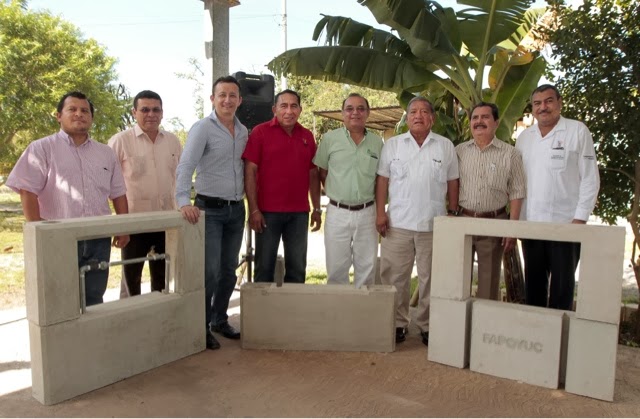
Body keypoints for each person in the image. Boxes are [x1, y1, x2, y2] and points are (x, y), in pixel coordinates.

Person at [6, 91, 129, 306]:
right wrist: (38, 231)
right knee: (59, 300)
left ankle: (90, 340)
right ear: (58, 115)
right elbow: (27, 191)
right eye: (72, 109)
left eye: (85, 110)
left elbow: (118, 192)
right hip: (57, 237)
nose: (79, 114)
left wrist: (124, 226)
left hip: (98, 237)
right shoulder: (41, 148)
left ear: (91, 117)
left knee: (93, 298)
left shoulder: (105, 153)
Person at [376, 97, 459, 345]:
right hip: (397, 224)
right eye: (413, 111)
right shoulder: (393, 145)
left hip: (433, 226)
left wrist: (453, 212)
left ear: (432, 118)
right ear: (407, 117)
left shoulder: (445, 146)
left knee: (431, 278)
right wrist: (381, 212)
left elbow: (453, 181)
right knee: (394, 278)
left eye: (424, 111)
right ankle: (398, 323)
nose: (418, 115)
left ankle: (427, 325)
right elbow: (382, 180)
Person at [176, 76, 248, 350]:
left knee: (229, 270)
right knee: (210, 272)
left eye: (232, 95)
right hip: (209, 211)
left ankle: (219, 319)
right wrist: (183, 200)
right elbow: (186, 166)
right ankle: (201, 325)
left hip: (235, 210)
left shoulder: (243, 132)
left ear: (240, 100)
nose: (227, 100)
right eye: (222, 95)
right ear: (213, 99)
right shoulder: (202, 128)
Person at [515, 84, 600, 311]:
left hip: (565, 225)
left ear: (559, 103)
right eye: (537, 103)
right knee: (533, 290)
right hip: (531, 225)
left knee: (562, 291)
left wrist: (579, 220)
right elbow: (518, 183)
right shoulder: (524, 138)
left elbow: (590, 178)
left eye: (548, 101)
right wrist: (518, 223)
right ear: (532, 108)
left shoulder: (577, 131)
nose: (543, 107)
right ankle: (537, 339)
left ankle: (560, 341)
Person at [108, 90, 182, 297]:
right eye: (145, 109)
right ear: (134, 112)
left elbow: (180, 177)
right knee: (131, 279)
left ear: (162, 113)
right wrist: (120, 225)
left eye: (156, 109)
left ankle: (159, 323)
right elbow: (109, 184)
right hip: (133, 224)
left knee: (162, 278)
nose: (151, 114)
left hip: (165, 222)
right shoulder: (120, 141)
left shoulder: (172, 141)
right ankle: (130, 324)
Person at [243, 89, 321, 284]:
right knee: (264, 269)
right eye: (283, 106)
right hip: (266, 214)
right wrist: (253, 210)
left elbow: (313, 174)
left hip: (299, 214)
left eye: (293, 106)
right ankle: (262, 314)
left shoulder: (307, 136)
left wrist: (317, 208)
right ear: (274, 109)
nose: (289, 111)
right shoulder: (260, 132)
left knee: (297, 270)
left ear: (300, 110)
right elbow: (250, 172)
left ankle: (292, 313)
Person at [456, 102, 526, 301]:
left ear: (496, 122)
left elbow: (517, 191)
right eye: (475, 118)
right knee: (457, 280)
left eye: (485, 117)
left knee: (489, 282)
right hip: (463, 221)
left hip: (495, 223)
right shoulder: (459, 151)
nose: (479, 121)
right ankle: (459, 326)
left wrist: (512, 229)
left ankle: (483, 326)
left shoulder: (510, 154)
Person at [313, 93, 383, 288]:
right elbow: (322, 173)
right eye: (350, 108)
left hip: (367, 213)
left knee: (367, 269)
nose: (355, 113)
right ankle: (338, 316)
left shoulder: (377, 143)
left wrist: (380, 214)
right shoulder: (329, 139)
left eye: (361, 109)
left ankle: (362, 316)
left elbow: (380, 181)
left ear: (368, 113)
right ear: (343, 113)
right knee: (336, 269)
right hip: (337, 212)